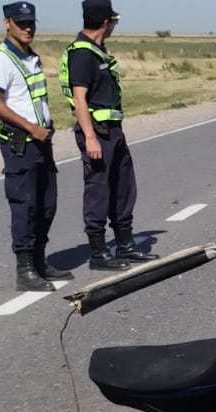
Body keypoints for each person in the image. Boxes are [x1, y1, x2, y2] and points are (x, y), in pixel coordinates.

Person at [61, 0, 153, 270]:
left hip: (114, 131)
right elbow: (79, 98)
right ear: (105, 23)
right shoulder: (82, 54)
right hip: (98, 134)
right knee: (98, 192)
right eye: (113, 21)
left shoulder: (97, 51)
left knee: (124, 189)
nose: (114, 26)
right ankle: (99, 253)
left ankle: (125, 245)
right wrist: (89, 137)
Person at [0, 2, 68, 291]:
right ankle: (25, 270)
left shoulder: (31, 57)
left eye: (31, 22)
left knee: (47, 205)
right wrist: (31, 127)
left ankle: (40, 261)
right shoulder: (0, 58)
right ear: (7, 23)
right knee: (25, 206)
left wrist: (46, 120)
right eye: (21, 23)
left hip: (42, 141)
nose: (28, 27)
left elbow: (32, 97)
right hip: (21, 144)